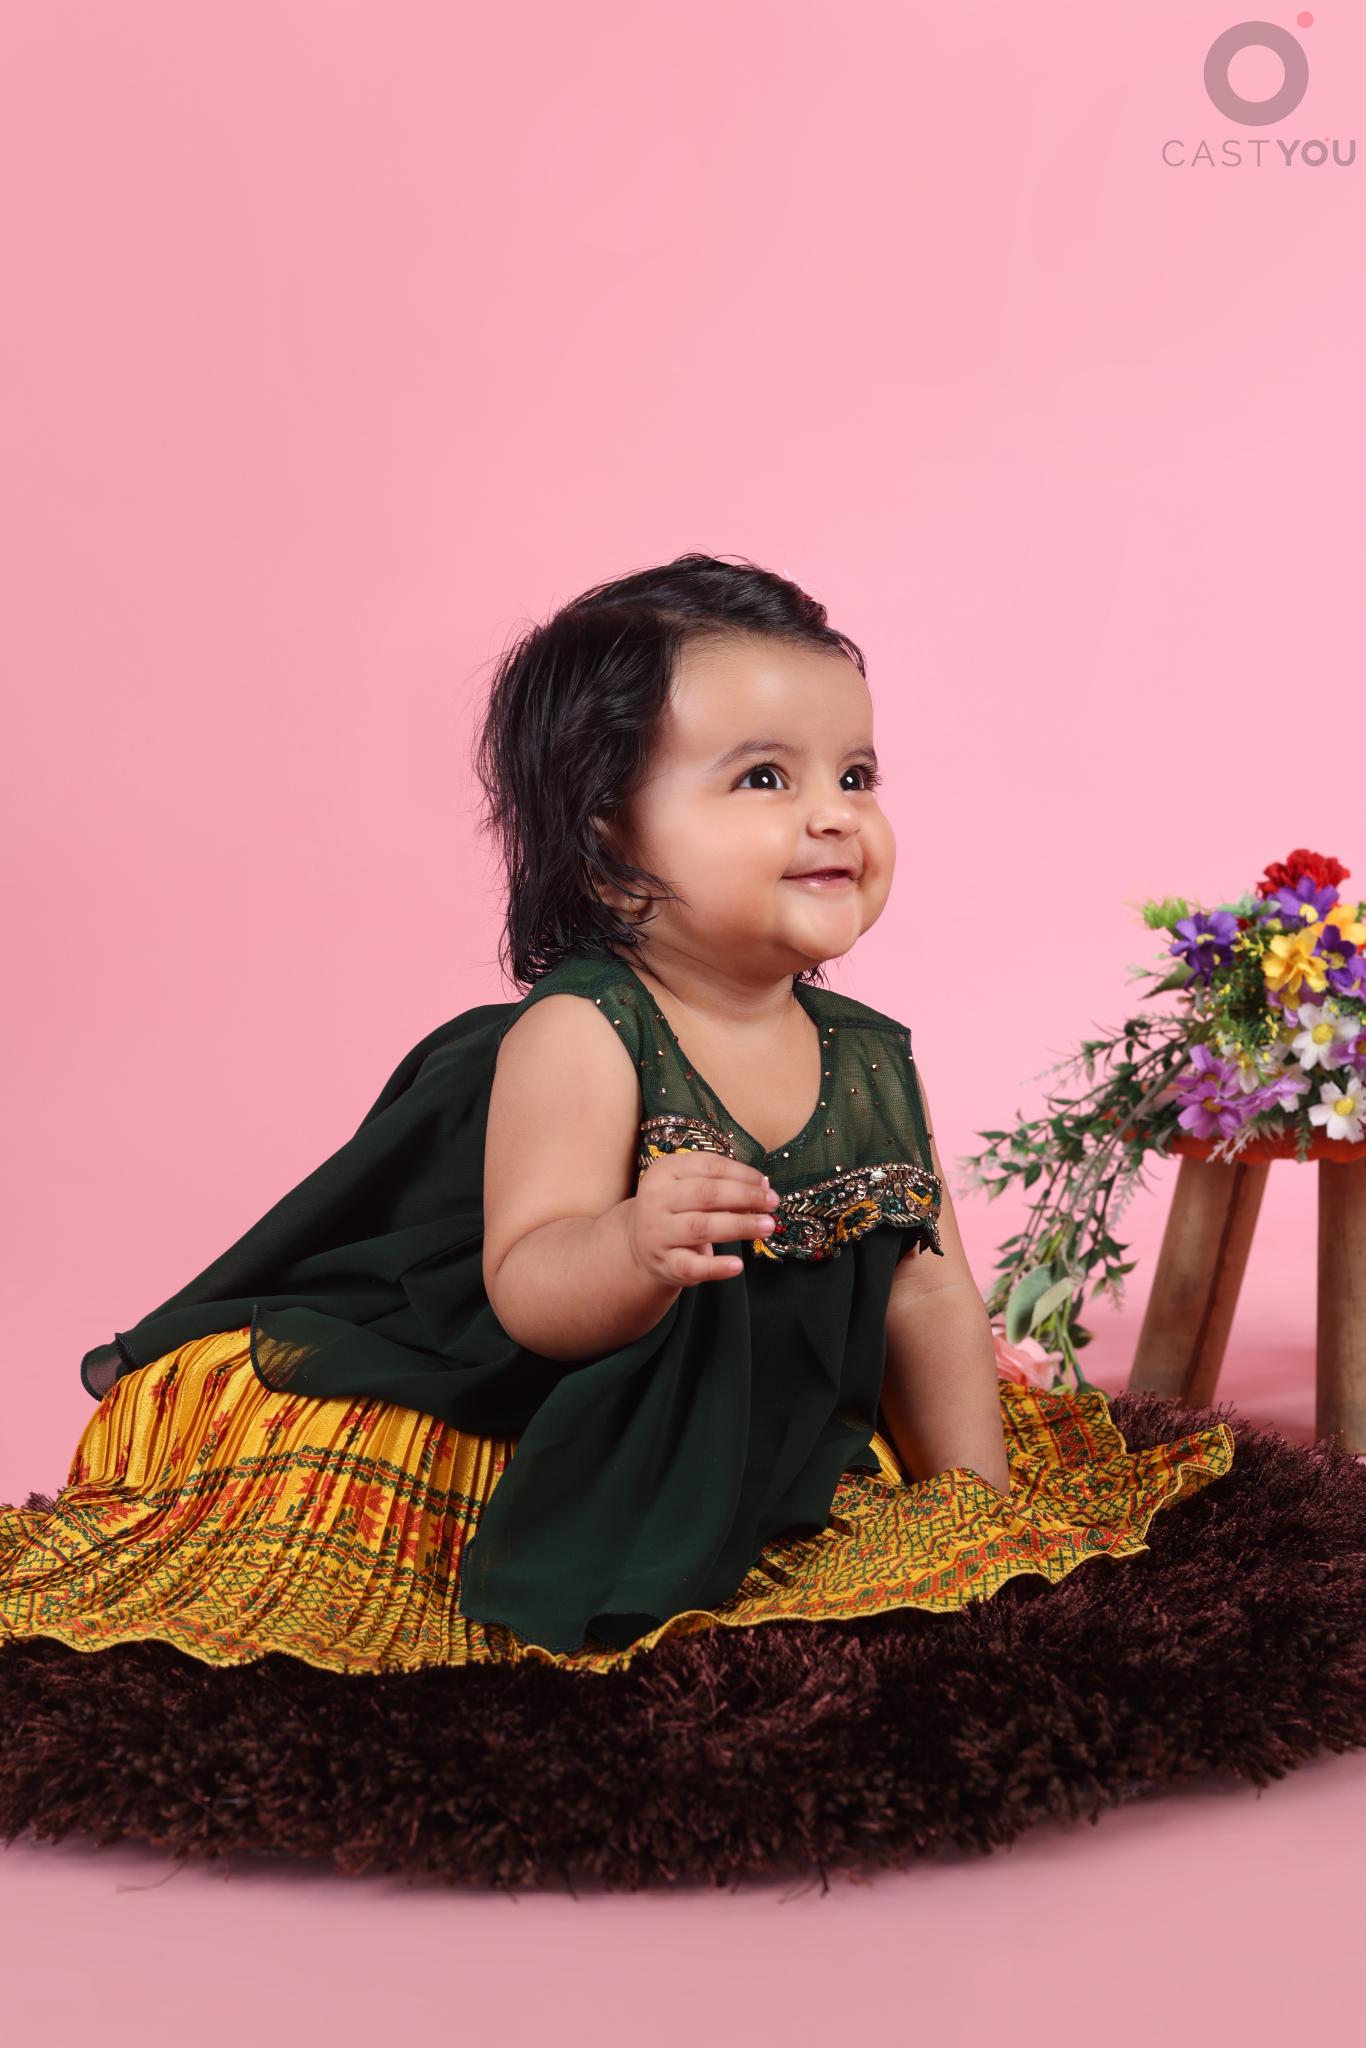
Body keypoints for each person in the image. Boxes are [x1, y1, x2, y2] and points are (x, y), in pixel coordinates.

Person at [0, 554, 1234, 1678]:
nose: (834, 813)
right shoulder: (587, 1032)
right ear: (606, 841)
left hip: (763, 1412)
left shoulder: (869, 1055)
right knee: (382, 1504)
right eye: (764, 776)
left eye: (855, 774)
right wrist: (633, 1245)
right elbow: (531, 1280)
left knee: (922, 1497)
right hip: (564, 1395)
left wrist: (975, 1506)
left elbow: (926, 1291)